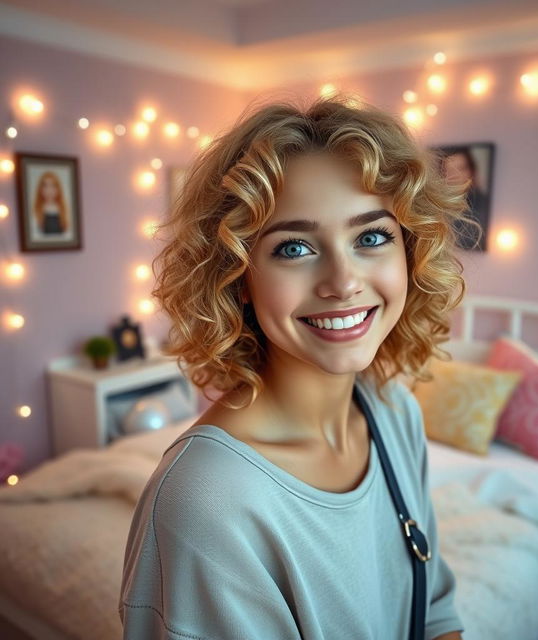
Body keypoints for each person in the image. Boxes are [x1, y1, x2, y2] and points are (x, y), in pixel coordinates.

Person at [119, 95, 471, 640]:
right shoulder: (208, 500)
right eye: (295, 248)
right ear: (236, 277)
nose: (343, 282)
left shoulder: (394, 412)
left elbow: (435, 610)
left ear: (411, 254)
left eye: (372, 237)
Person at [439, 147, 489, 252]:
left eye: (460, 169)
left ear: (471, 171)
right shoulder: (437, 206)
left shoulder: (484, 206)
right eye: (449, 170)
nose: (454, 175)